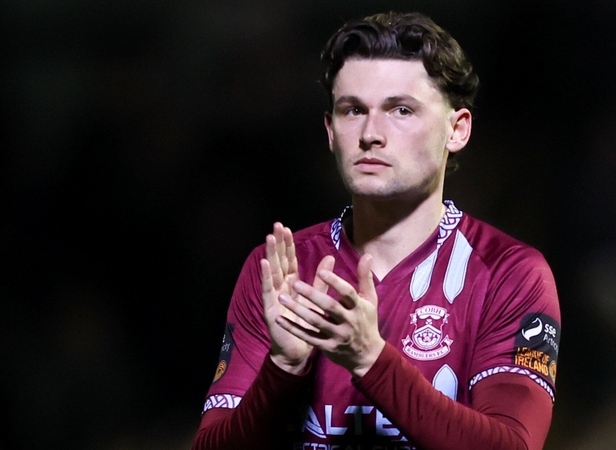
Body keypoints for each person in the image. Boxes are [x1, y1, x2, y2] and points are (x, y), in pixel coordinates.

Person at [190, 11, 561, 450]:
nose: (370, 134)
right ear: (330, 131)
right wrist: (284, 367)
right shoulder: (280, 269)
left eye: (400, 110)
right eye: (352, 110)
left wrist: (370, 359)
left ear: (457, 130)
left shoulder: (509, 273)